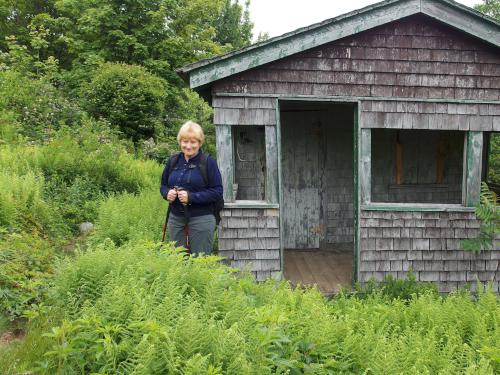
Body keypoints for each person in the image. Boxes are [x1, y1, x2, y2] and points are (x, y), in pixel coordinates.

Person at [160, 121, 223, 256]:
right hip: (176, 218)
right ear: (180, 141)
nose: (188, 146)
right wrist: (167, 193)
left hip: (202, 218)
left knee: (200, 261)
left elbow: (217, 192)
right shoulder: (173, 161)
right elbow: (163, 185)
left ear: (199, 143)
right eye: (185, 141)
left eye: (193, 142)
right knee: (178, 260)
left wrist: (191, 197)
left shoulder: (208, 162)